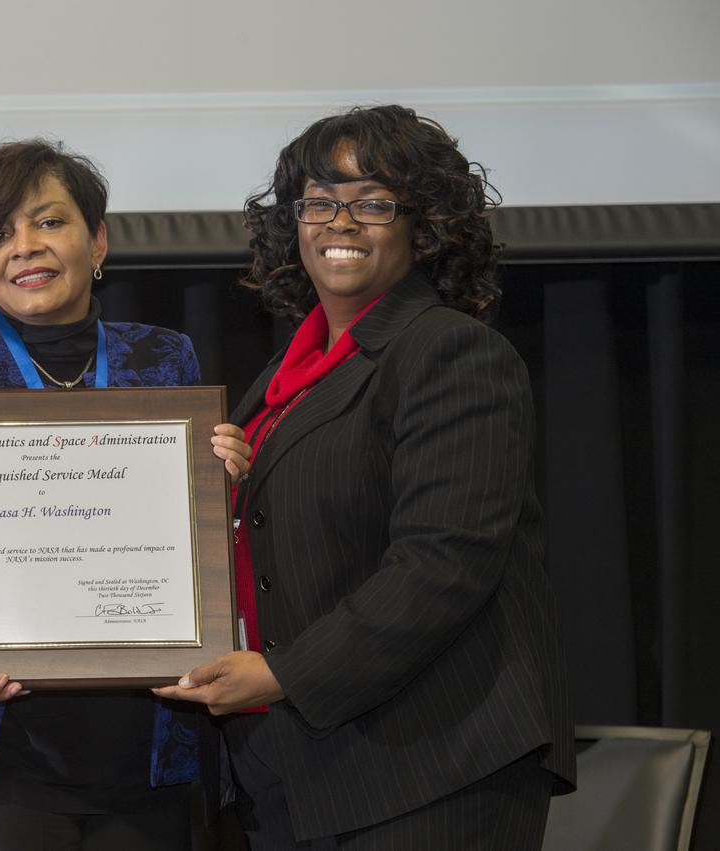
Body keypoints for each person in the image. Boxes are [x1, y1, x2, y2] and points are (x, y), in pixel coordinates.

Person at [154, 106, 576, 849]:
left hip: (430, 764)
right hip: (301, 771)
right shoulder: (285, 380)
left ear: (426, 223)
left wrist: (282, 673)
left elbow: (442, 565)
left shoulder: (450, 353)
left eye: (371, 202)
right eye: (318, 202)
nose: (338, 222)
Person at [0, 140, 251, 850]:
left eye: (48, 222)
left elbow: (191, 540)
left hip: (141, 750)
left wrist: (224, 486)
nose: (24, 247)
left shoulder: (163, 357)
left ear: (96, 239)